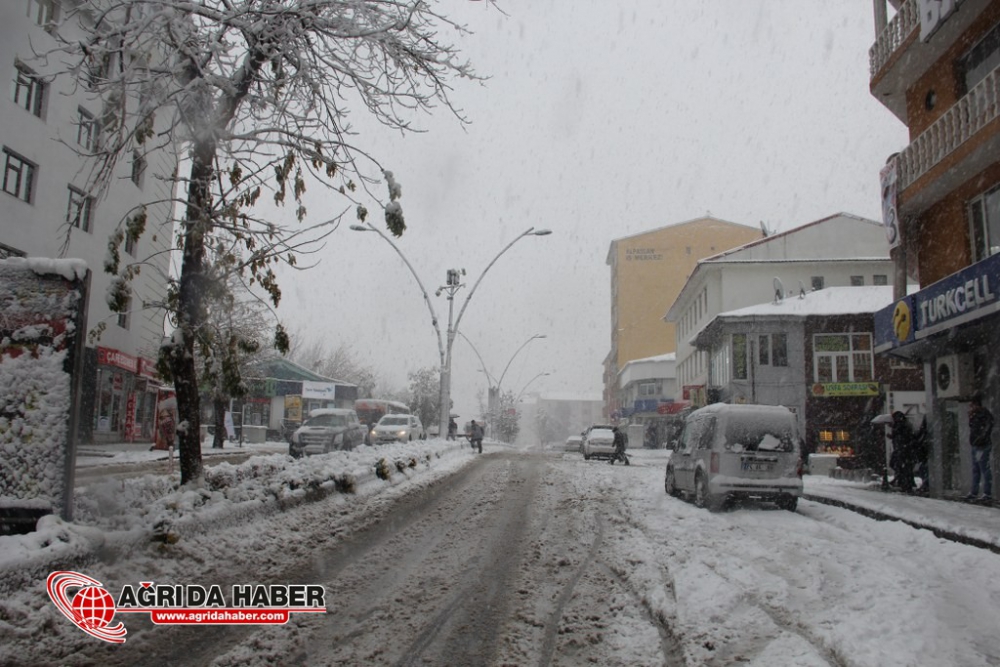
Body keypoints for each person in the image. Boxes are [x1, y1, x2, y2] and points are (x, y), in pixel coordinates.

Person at [964, 395, 994, 501]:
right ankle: (975, 491)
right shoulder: (976, 415)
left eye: (972, 405)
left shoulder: (983, 415)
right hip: (976, 445)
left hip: (981, 445)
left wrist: (981, 438)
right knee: (976, 468)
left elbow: (988, 426)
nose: (970, 408)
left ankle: (986, 492)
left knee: (983, 468)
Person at [889, 411, 916, 493]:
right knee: (902, 467)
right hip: (903, 450)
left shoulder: (901, 426)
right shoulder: (904, 425)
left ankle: (904, 482)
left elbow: (901, 436)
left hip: (902, 450)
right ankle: (904, 482)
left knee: (901, 466)